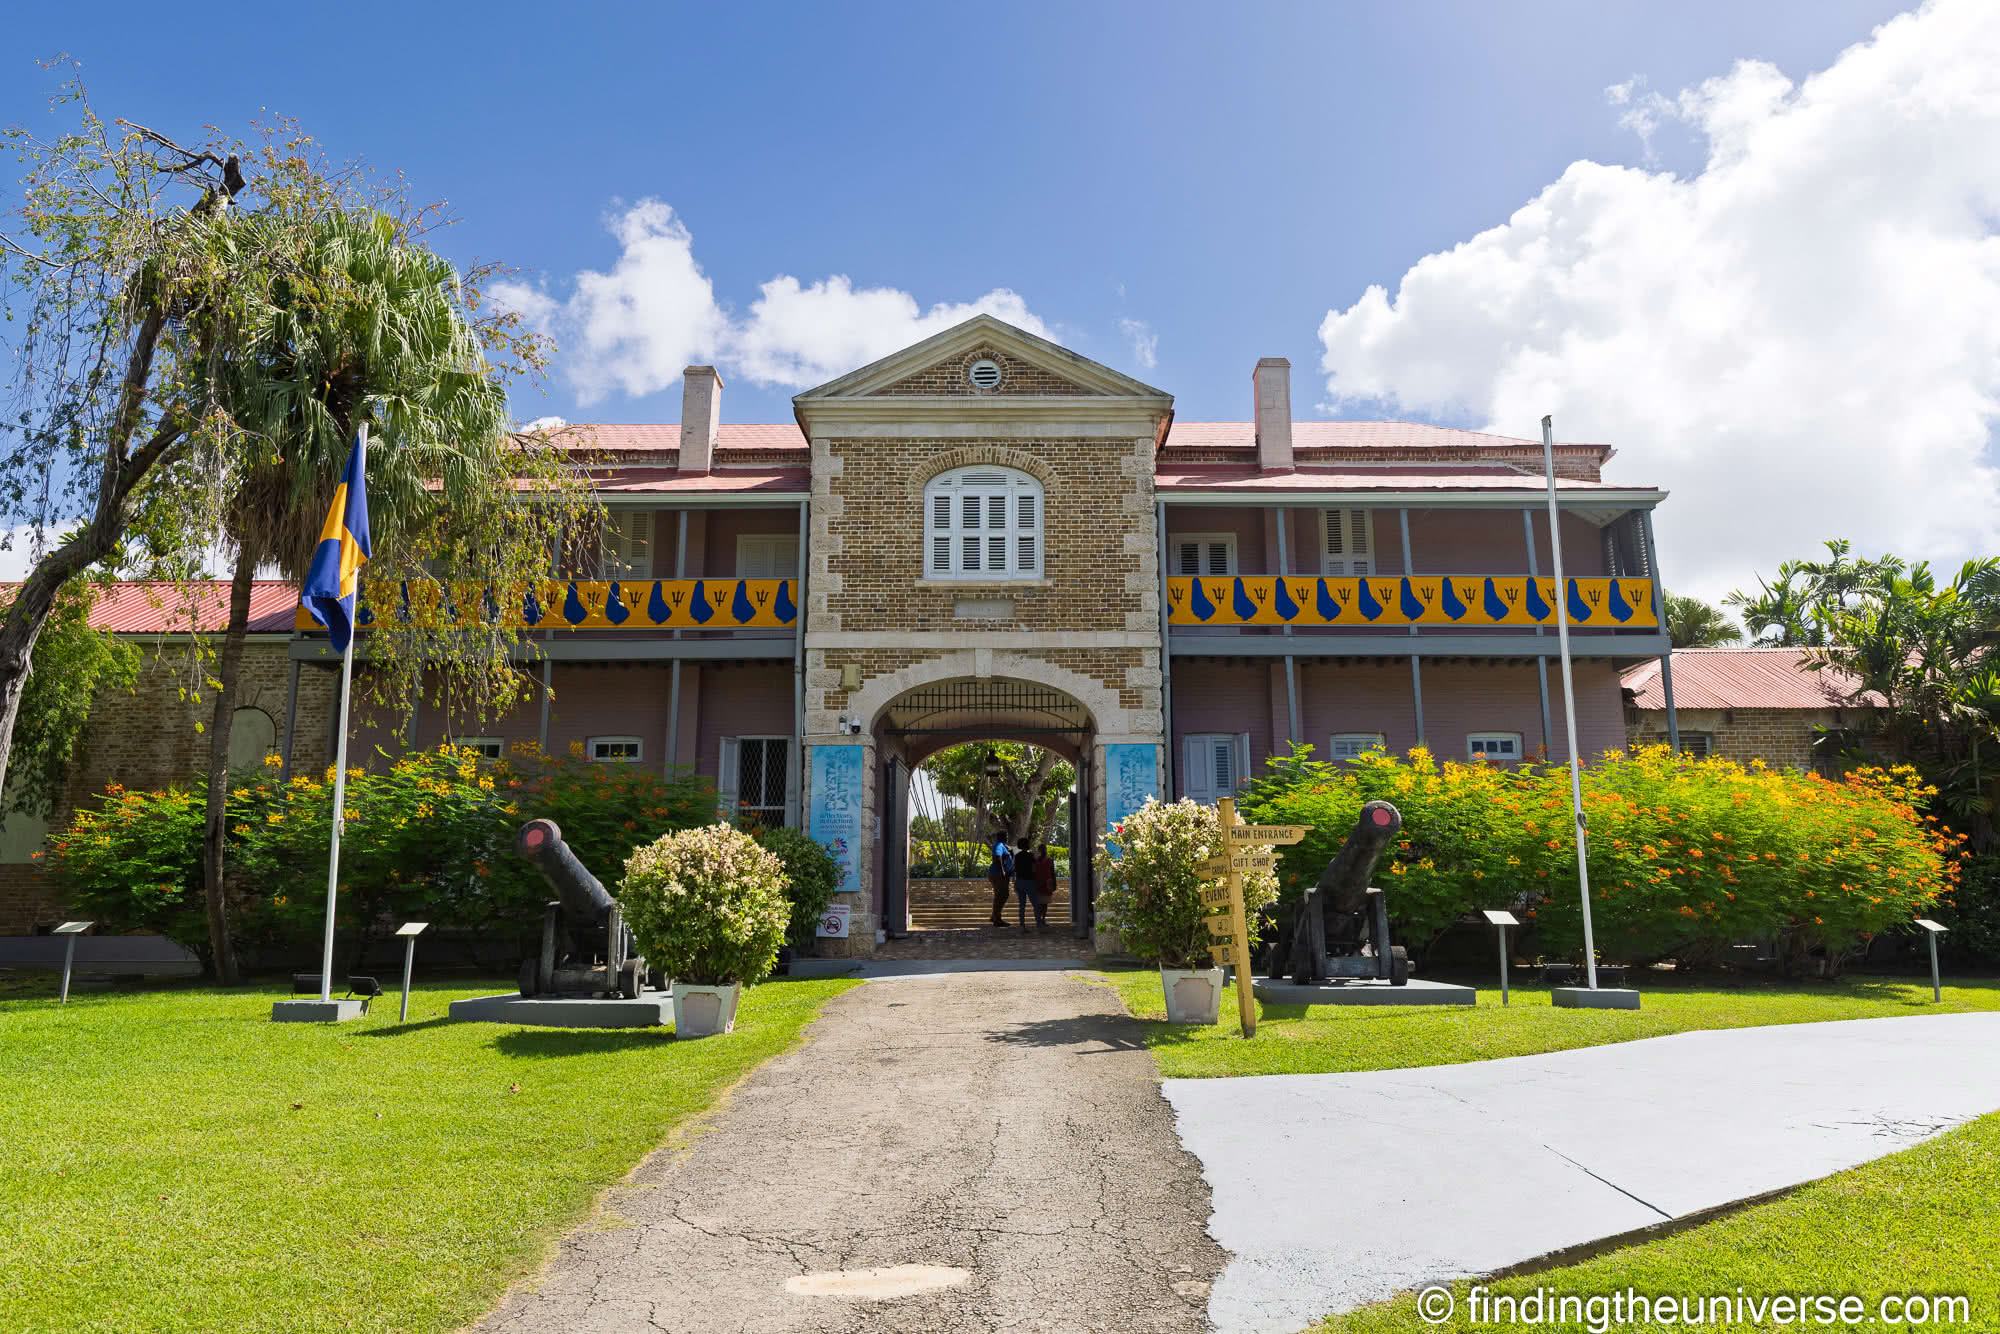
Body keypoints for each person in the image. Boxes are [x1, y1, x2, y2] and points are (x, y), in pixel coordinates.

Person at [987, 830, 1014, 927]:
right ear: (1002, 837)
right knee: (1003, 895)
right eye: (1006, 836)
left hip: (1000, 874)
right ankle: (997, 919)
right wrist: (1002, 871)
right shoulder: (999, 845)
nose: (1007, 837)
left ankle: (994, 916)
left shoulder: (1003, 845)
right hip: (998, 874)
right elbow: (997, 857)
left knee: (999, 895)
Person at [1014, 838, 1041, 932]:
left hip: (1020, 881)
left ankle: (1022, 925)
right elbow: (1034, 869)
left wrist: (1015, 883)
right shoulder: (1031, 856)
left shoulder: (1017, 856)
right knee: (1035, 904)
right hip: (1029, 881)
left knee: (1022, 905)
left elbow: (1016, 870)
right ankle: (1039, 924)